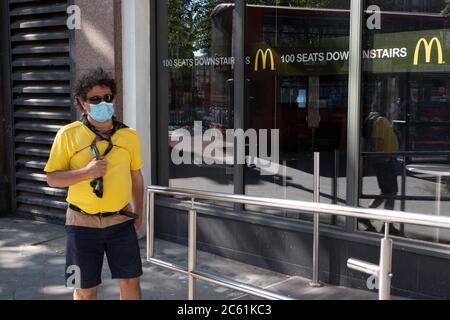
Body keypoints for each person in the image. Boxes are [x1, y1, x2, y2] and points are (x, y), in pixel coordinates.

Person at [44, 68, 144, 300]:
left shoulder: (129, 136)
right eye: (95, 99)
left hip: (120, 220)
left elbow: (136, 177)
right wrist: (85, 173)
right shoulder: (67, 135)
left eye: (108, 98)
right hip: (81, 222)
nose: (103, 103)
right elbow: (52, 178)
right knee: (84, 288)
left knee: (131, 282)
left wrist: (139, 213)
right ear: (82, 103)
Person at [361, 110, 402, 236]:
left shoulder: (380, 121)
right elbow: (377, 141)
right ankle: (386, 224)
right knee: (391, 192)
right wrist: (383, 157)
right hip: (385, 160)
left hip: (385, 159)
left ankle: (368, 216)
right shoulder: (380, 121)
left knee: (387, 191)